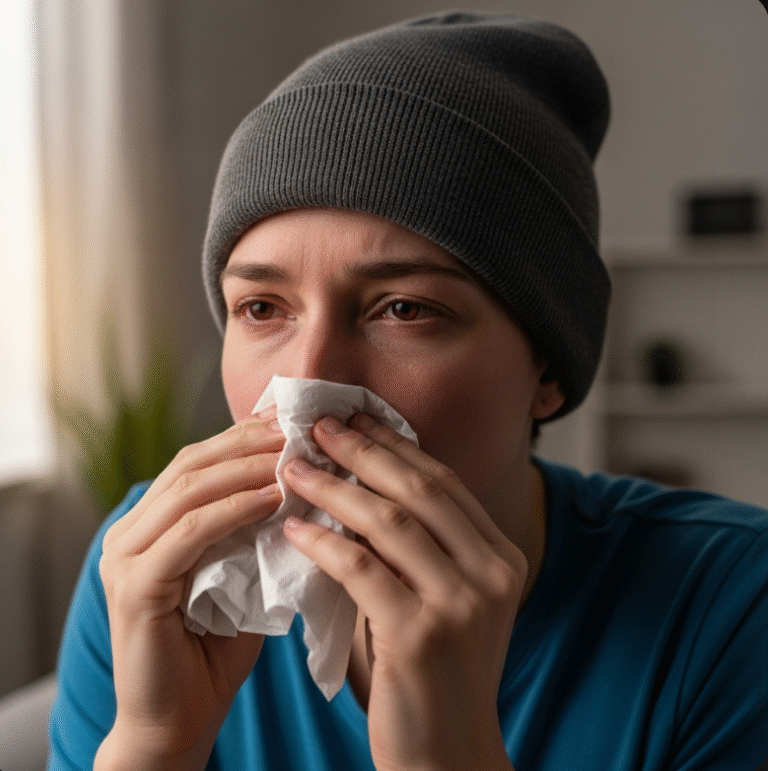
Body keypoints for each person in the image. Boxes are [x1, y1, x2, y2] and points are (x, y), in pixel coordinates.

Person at [48, 12, 768, 771]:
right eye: (261, 309)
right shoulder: (152, 564)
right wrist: (156, 743)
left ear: (548, 371)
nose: (310, 377)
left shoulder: (730, 607)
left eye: (404, 309)